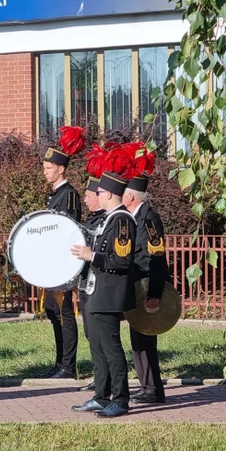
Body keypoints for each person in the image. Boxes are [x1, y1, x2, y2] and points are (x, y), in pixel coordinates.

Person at [70, 171, 139, 418]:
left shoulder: (122, 220)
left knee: (112, 350)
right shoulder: (109, 219)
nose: (96, 196)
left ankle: (120, 399)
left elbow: (122, 260)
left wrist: (92, 256)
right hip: (97, 292)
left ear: (108, 193)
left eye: (98, 192)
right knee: (98, 349)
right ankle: (102, 396)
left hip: (109, 295)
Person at [40, 128, 85, 379]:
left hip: (63, 266)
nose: (45, 171)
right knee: (53, 313)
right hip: (52, 265)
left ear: (61, 169)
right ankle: (60, 363)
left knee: (65, 314)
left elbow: (68, 229)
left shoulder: (68, 195)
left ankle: (69, 366)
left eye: (48, 167)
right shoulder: (55, 195)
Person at [125, 167, 168, 404]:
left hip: (146, 287)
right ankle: (147, 386)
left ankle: (153, 389)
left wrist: (154, 293)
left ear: (131, 196)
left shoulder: (149, 219)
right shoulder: (135, 217)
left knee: (145, 339)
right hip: (137, 286)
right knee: (138, 338)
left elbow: (156, 257)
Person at [76, 174, 106, 393]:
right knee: (90, 334)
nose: (85, 200)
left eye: (88, 196)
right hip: (85, 284)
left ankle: (105, 379)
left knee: (99, 336)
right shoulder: (91, 219)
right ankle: (100, 376)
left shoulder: (106, 220)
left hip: (98, 286)